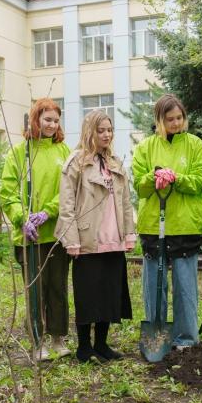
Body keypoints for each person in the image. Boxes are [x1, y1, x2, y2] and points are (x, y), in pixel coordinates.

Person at [132, 94, 202, 350]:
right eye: (170, 119)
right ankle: (157, 337)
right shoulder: (145, 147)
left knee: (185, 287)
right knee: (154, 287)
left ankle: (185, 338)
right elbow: (139, 185)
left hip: (186, 225)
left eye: (179, 118)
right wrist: (154, 176)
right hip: (153, 226)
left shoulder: (195, 145)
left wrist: (176, 177)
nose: (176, 123)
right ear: (159, 120)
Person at [55, 110, 135, 363]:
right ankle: (83, 346)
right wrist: (72, 239)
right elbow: (66, 205)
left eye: (109, 130)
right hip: (88, 240)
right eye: (101, 130)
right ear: (90, 131)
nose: (106, 135)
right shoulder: (76, 162)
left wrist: (129, 234)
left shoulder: (115, 163)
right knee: (88, 295)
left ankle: (101, 344)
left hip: (114, 238)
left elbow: (125, 201)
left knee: (110, 294)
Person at [0, 98, 71, 360]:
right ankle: (37, 341)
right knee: (35, 290)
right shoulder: (20, 153)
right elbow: (8, 192)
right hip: (29, 236)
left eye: (56, 120)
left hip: (56, 233)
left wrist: (48, 211)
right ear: (35, 119)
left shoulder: (63, 152)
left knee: (57, 287)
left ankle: (58, 338)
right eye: (47, 119)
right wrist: (23, 218)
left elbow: (69, 189)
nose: (52, 125)